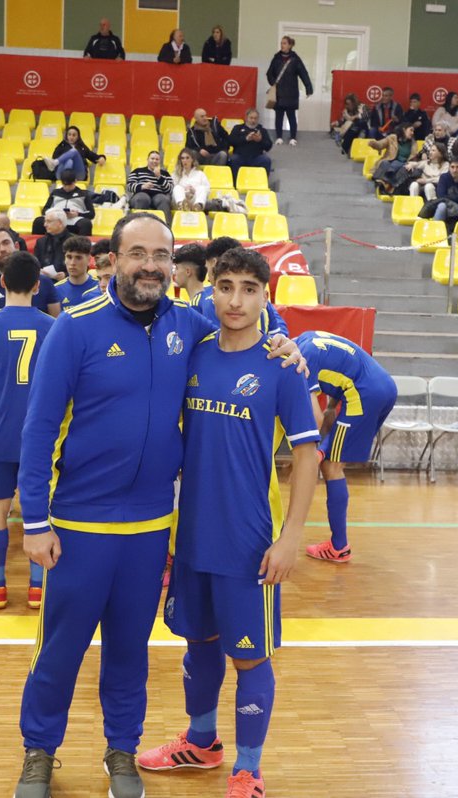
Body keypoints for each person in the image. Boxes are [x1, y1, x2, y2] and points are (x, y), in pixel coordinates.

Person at [10, 213, 305, 798]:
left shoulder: (188, 327)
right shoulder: (73, 327)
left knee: (130, 652)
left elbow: (242, 326)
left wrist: (284, 343)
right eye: (137, 253)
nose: (150, 264)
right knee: (60, 651)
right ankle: (39, 752)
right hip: (76, 526)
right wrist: (36, 520)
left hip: (149, 530)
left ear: (173, 265)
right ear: (112, 260)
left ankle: (121, 750)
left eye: (161, 254)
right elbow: (39, 428)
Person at [137, 248, 319, 798]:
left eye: (248, 288)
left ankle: (249, 768)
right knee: (199, 642)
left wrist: (291, 539)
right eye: (226, 287)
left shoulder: (281, 365)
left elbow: (308, 456)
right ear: (209, 290)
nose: (235, 300)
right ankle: (201, 742)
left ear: (266, 296)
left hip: (249, 540)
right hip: (190, 534)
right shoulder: (192, 352)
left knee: (249, 654)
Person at [0, 251, 56, 612]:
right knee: (39, 513)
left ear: (1, 282)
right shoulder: (53, 328)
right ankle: (38, 589)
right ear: (38, 285)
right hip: (42, 437)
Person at [294, 329, 398, 563]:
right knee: (330, 459)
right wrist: (332, 407)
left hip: (364, 395)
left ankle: (338, 547)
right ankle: (338, 544)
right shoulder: (306, 337)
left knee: (331, 467)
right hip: (383, 386)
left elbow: (315, 420)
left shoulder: (299, 358)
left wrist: (312, 453)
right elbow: (343, 369)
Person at [194, 236, 288, 336]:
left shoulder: (201, 299)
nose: (235, 302)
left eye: (249, 290)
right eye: (226, 288)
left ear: (213, 263)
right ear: (214, 294)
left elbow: (280, 334)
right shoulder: (201, 300)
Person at [0, 228, 61, 317]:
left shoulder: (44, 282)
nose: (2, 249)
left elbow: (55, 323)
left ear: (17, 246)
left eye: (6, 243)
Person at [266, 36, 313, 146]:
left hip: (291, 92)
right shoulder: (276, 58)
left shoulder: (295, 59)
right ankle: (279, 137)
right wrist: (274, 84)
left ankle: (293, 137)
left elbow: (303, 74)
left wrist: (308, 88)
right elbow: (269, 73)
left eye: (285, 43)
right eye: (281, 43)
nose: (282, 45)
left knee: (291, 116)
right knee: (279, 116)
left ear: (290, 45)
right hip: (279, 92)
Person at [33, 170, 94, 237]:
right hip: (56, 219)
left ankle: (83, 246)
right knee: (38, 221)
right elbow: (45, 210)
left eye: (70, 185)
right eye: (65, 185)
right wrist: (53, 213)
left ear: (75, 181)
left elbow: (91, 214)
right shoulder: (55, 193)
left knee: (86, 224)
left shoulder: (83, 194)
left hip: (74, 219)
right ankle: (39, 244)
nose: (67, 187)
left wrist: (78, 214)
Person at [54, 236, 100, 310]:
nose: (72, 263)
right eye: (69, 257)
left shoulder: (100, 287)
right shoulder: (55, 290)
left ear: (88, 260)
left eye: (78, 258)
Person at [229, 109, 274, 175]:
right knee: (233, 159)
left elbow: (268, 147)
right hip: (240, 156)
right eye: (251, 118)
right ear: (246, 117)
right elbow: (231, 141)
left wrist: (260, 140)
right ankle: (235, 183)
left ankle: (262, 183)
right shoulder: (237, 128)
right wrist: (245, 139)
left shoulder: (262, 130)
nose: (253, 120)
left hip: (256, 157)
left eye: (255, 118)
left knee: (266, 160)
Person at [33, 209, 73, 278]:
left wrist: (66, 275)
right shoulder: (40, 242)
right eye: (45, 221)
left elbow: (83, 267)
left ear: (60, 223)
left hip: (68, 282)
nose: (45, 225)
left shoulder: (74, 242)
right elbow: (34, 264)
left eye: (48, 221)